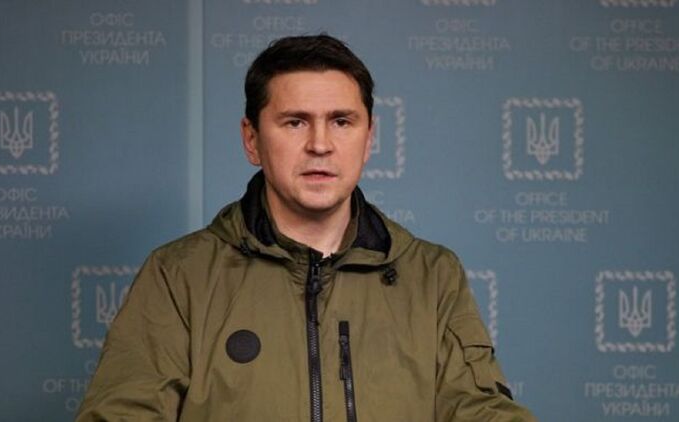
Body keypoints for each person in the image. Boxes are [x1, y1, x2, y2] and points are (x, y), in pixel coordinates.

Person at [75, 34, 536, 421]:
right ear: (252, 139)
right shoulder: (178, 276)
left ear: (369, 139)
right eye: (295, 122)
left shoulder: (433, 276)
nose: (320, 144)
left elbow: (481, 411)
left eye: (341, 121)